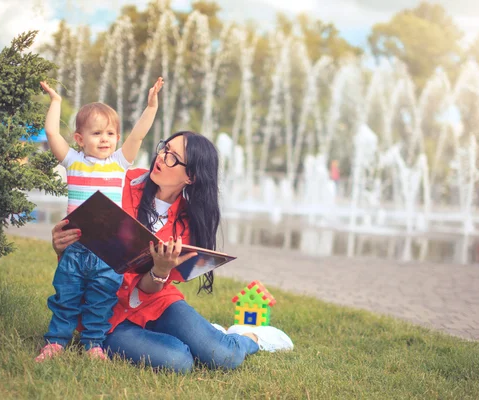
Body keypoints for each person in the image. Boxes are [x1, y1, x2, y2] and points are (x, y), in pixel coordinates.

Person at [49, 131, 293, 372]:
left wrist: (160, 270)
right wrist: (62, 245)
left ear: (191, 177)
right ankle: (205, 335)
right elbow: (82, 240)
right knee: (178, 361)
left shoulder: (187, 221)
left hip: (154, 300)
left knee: (224, 356)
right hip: (103, 312)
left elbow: (149, 287)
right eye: (165, 149)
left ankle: (250, 336)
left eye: (173, 157)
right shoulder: (120, 181)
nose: (161, 157)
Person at [35, 78, 165, 361]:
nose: (105, 139)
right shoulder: (72, 161)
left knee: (102, 298)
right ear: (80, 139)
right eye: (96, 133)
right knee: (66, 296)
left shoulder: (119, 163)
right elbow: (51, 132)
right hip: (76, 247)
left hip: (108, 250)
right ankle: (56, 341)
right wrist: (56, 102)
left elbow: (139, 136)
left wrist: (151, 105)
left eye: (110, 133)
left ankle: (94, 343)